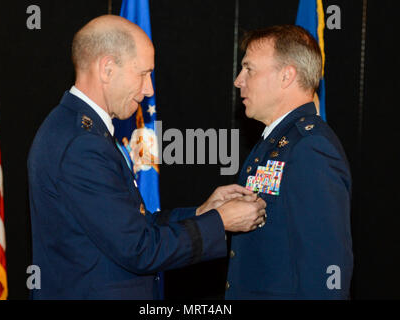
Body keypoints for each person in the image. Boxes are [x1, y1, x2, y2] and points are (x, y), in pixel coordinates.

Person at [27, 15, 266, 300]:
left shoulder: (80, 128)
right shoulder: (81, 144)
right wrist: (219, 221)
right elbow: (139, 249)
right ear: (107, 69)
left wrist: (202, 212)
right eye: (143, 74)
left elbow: (130, 225)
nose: (149, 89)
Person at [226, 25, 353, 299]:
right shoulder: (275, 141)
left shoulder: (310, 147)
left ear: (286, 76)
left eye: (249, 69)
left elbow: (325, 262)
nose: (239, 80)